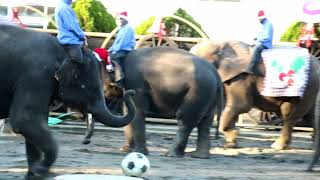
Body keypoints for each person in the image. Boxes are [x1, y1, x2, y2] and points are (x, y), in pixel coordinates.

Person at [108, 11, 136, 87]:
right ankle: (111, 75)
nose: (120, 20)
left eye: (122, 19)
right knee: (106, 55)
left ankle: (120, 83)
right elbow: (116, 42)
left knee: (116, 58)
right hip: (119, 48)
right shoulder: (121, 29)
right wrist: (110, 49)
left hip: (125, 49)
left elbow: (123, 43)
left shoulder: (128, 28)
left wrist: (114, 51)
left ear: (126, 19)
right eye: (119, 19)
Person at [244, 10, 273, 74]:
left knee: (256, 48)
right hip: (262, 42)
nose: (259, 20)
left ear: (263, 18)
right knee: (251, 46)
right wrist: (256, 38)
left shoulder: (268, 24)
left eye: (259, 19)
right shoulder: (264, 24)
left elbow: (266, 37)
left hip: (266, 44)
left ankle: (250, 68)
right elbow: (261, 35)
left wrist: (258, 39)